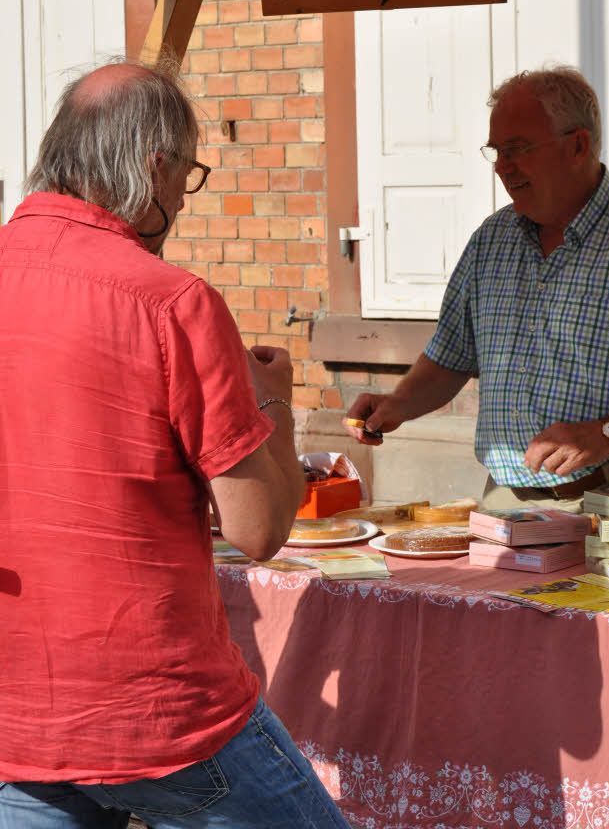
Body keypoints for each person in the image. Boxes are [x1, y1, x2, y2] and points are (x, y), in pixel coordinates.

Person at [0, 60, 351, 829]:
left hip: (16, 712)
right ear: (154, 166)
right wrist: (275, 406)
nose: (182, 200)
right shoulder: (170, 301)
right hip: (158, 712)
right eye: (187, 174)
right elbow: (259, 531)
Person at [345, 66, 609, 511]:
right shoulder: (492, 240)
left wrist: (607, 434)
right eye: (497, 151)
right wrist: (398, 404)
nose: (503, 166)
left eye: (518, 148)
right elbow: (450, 358)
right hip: (505, 502)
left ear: (578, 146)